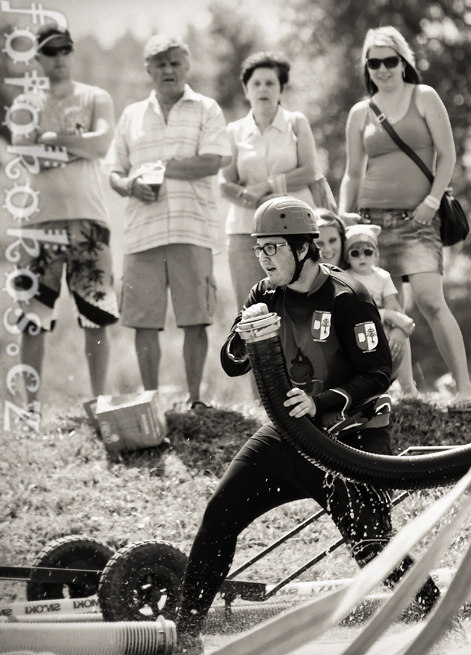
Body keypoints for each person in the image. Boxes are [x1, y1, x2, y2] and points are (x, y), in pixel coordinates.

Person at [174, 197, 442, 655]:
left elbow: (378, 372)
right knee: (220, 514)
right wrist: (242, 338)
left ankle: (439, 618)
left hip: (351, 438)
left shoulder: (349, 298)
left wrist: (321, 402)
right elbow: (232, 362)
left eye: (273, 248)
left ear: (304, 248)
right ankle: (185, 634)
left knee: (374, 550)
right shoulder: (264, 293)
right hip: (290, 434)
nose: (264, 258)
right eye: (259, 249)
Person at [340, 26, 471, 412]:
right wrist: (343, 217)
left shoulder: (425, 97)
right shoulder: (360, 112)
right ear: (366, 68)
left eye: (389, 61)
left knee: (432, 301)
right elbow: (353, 171)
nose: (382, 69)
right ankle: (404, 389)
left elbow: (447, 155)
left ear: (403, 62)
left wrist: (433, 201)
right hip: (369, 223)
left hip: (418, 219)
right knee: (377, 310)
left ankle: (466, 388)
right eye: (374, 62)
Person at [108, 34, 231, 410]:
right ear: (148, 69)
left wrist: (161, 168)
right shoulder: (131, 115)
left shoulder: (206, 108)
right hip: (141, 234)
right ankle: (150, 399)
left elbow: (214, 160)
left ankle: (195, 399)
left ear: (187, 65)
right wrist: (129, 185)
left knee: (195, 319)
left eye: (175, 62)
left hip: (191, 228)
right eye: (160, 64)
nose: (168, 70)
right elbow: (113, 171)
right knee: (143, 323)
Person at [9, 24, 119, 414]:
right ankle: (31, 409)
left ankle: (99, 402)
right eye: (50, 51)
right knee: (33, 319)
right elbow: (26, 155)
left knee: (97, 316)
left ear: (71, 52)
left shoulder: (96, 97)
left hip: (90, 222)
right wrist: (79, 144)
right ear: (38, 57)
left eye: (64, 50)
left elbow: (103, 142)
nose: (58, 57)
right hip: (39, 224)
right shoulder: (26, 102)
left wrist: (52, 139)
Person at [221, 51, 324, 310]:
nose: (263, 89)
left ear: (281, 88)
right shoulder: (233, 131)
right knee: (251, 311)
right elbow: (225, 184)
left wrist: (267, 187)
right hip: (245, 232)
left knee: (300, 306)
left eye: (270, 83)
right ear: (246, 90)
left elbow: (309, 171)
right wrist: (261, 203)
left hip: (295, 232)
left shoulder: (296, 122)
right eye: (256, 83)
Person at [344, 223, 419, 396]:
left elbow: (392, 304)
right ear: (348, 258)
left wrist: (394, 321)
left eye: (368, 252)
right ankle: (370, 387)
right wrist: (388, 315)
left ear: (376, 254)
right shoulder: (346, 276)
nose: (362, 257)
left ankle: (406, 385)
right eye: (355, 253)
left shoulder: (382, 277)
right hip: (358, 326)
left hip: (380, 324)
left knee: (400, 334)